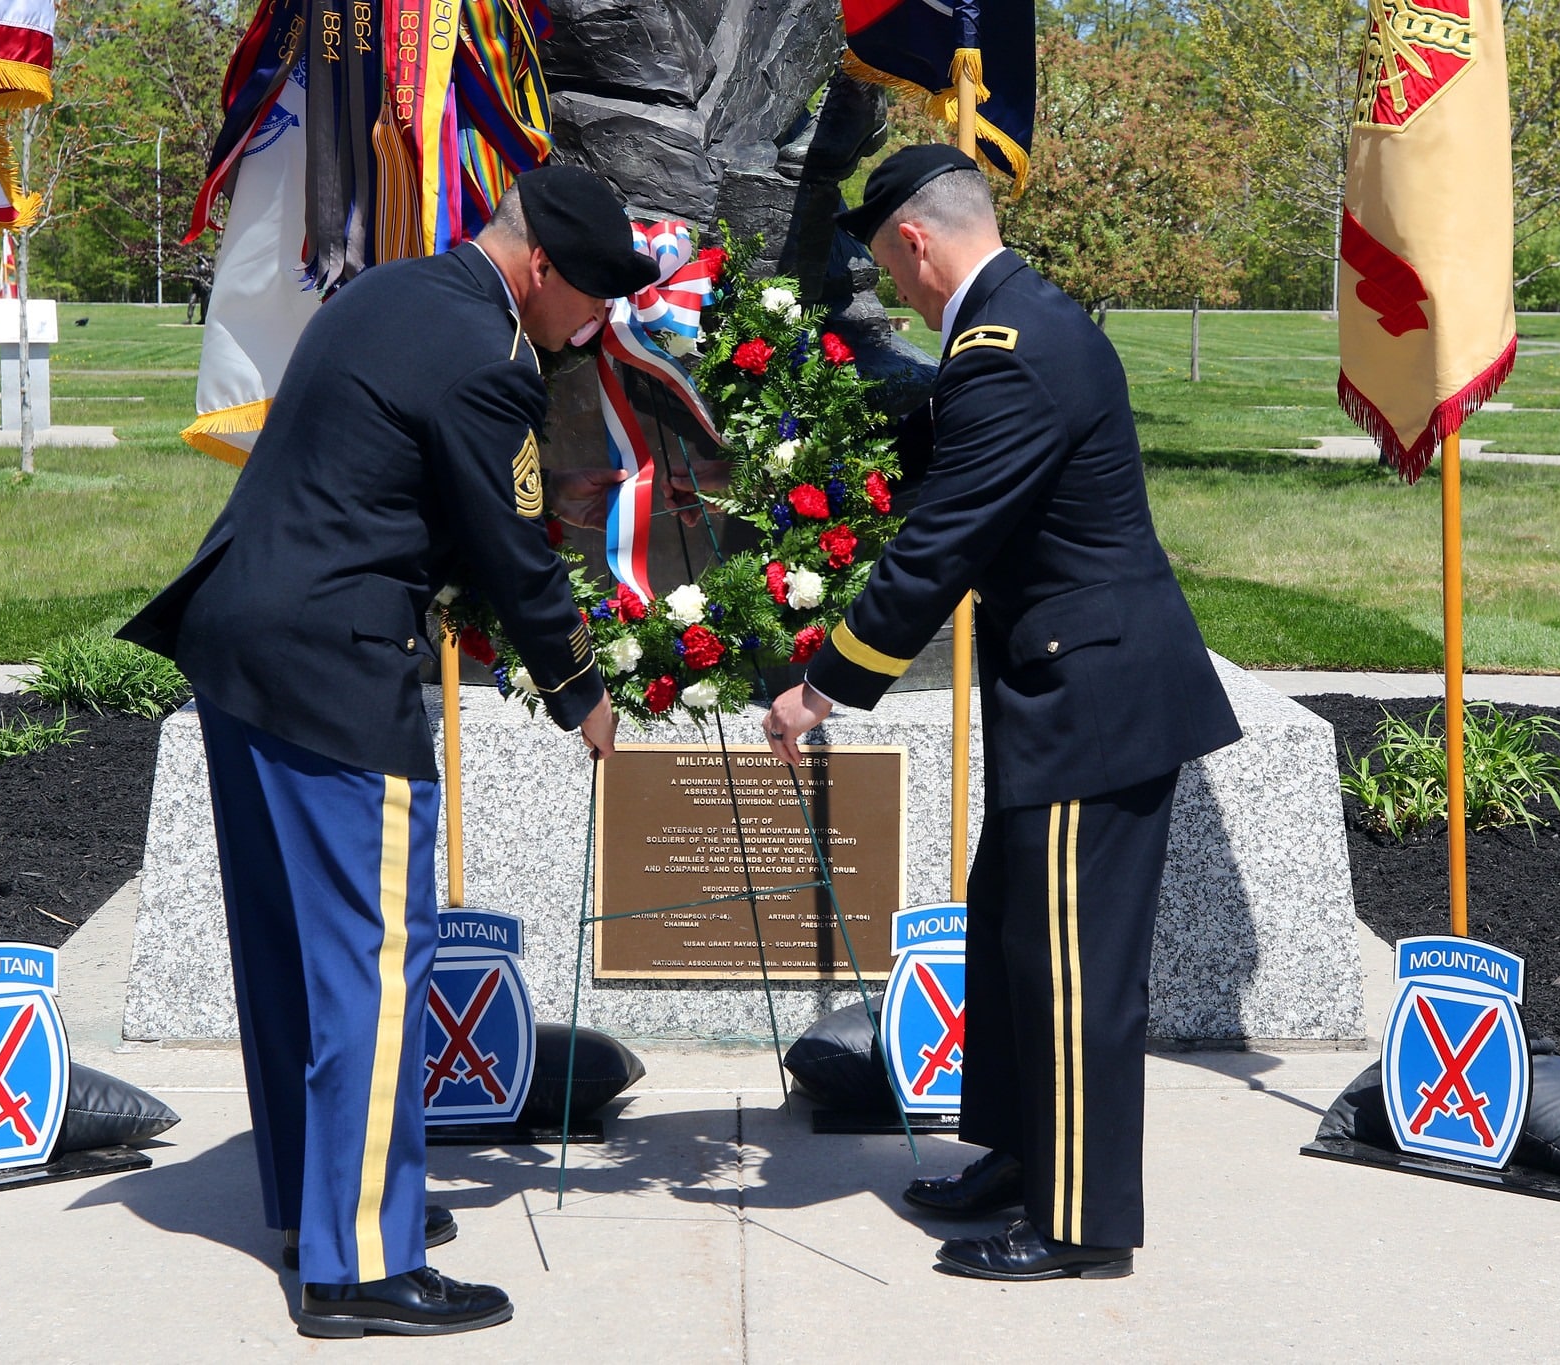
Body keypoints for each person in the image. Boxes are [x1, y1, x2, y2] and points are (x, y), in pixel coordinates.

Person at [118, 165, 657, 1337]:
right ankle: (360, 1266)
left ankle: (320, 1206)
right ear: (543, 268)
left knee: (290, 949)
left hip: (241, 640)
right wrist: (579, 691)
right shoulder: (487, 354)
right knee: (371, 964)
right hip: (330, 667)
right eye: (595, 295)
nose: (596, 322)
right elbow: (511, 548)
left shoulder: (392, 292)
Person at [763, 145, 1242, 1282]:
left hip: (1097, 702)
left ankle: (1078, 1223)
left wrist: (825, 683)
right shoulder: (1009, 327)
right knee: (1017, 937)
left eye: (889, 263)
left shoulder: (1009, 352)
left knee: (1072, 968)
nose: (899, 287)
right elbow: (930, 469)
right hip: (1067, 689)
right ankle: (1022, 1157)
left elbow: (941, 546)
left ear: (916, 243)